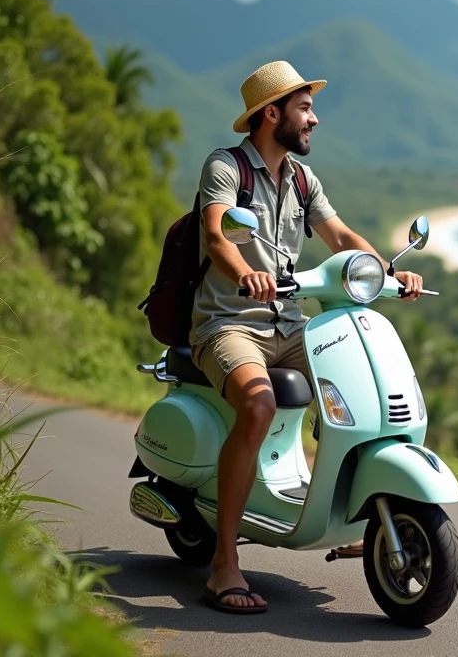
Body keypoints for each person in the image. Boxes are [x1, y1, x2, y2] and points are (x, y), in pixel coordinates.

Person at [189, 60, 424, 613]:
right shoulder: (226, 167)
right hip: (229, 323)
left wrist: (386, 274)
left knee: (355, 388)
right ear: (272, 113)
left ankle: (343, 510)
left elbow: (339, 235)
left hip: (290, 324)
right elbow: (218, 232)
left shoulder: (299, 177)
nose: (313, 119)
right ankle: (224, 562)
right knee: (259, 403)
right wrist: (244, 272)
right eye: (305, 108)